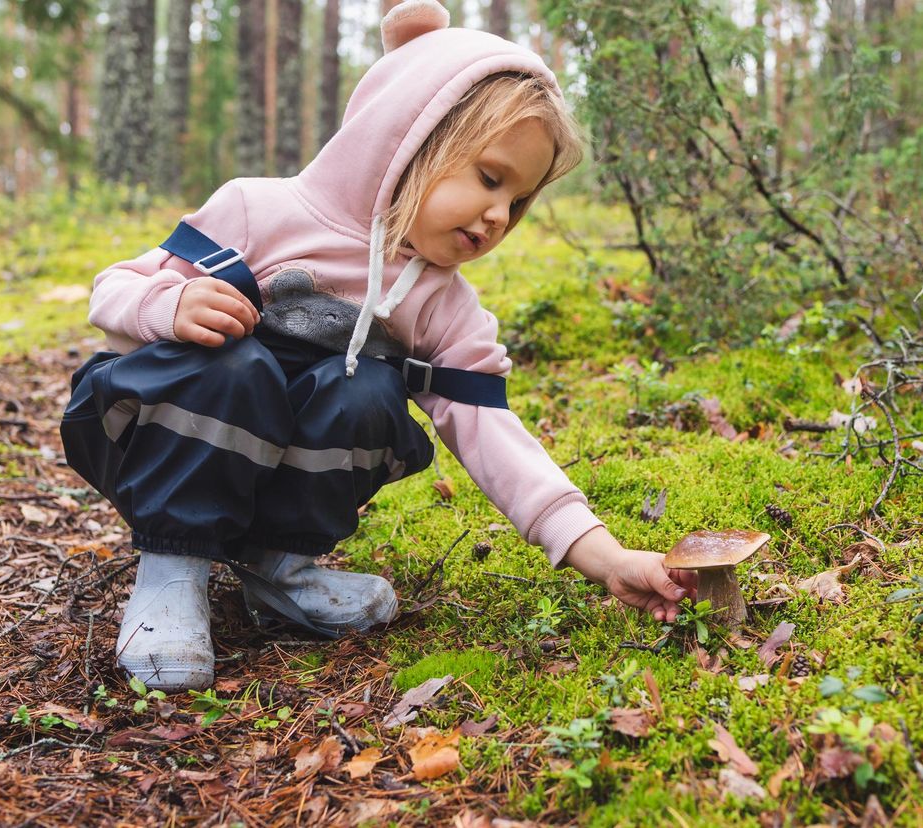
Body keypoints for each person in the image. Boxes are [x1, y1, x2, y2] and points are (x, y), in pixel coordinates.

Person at [61, 0, 697, 693]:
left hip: (271, 470)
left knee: (364, 389)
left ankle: (277, 568)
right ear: (408, 137)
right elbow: (114, 292)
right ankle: (171, 572)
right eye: (489, 177)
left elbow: (497, 439)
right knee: (234, 365)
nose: (497, 215)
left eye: (518, 201)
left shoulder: (443, 309)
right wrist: (169, 304)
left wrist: (606, 559)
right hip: (150, 440)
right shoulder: (258, 210)